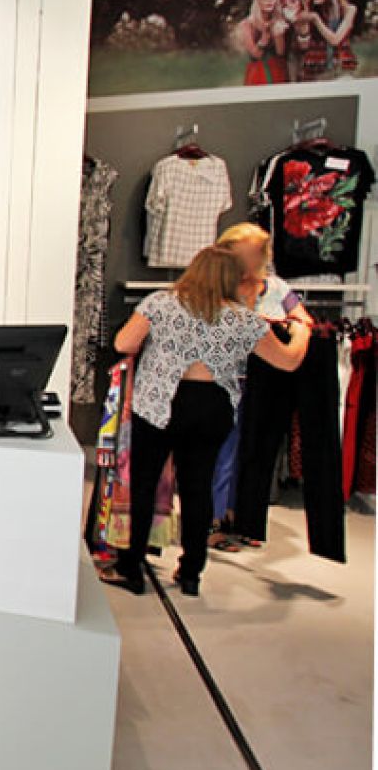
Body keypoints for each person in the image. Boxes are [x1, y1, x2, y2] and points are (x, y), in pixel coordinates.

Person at [100, 245, 309, 597]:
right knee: (198, 488)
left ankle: (130, 567)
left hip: (160, 402)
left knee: (144, 485)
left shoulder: (160, 303)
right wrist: (301, 331)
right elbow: (288, 361)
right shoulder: (244, 320)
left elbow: (124, 342)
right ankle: (191, 572)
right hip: (212, 404)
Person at [206, 224, 314, 550]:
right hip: (223, 381)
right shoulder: (217, 286)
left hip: (265, 384)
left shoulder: (276, 288)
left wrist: (291, 329)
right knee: (223, 454)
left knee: (255, 453)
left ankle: (244, 518)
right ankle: (214, 521)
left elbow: (303, 319)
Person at [301, 0, 358, 80]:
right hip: (315, 65)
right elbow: (303, 44)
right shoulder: (309, 10)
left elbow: (335, 40)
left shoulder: (349, 10)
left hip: (340, 65)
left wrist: (316, 19)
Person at [237, 0, 288, 85]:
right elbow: (256, 54)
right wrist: (265, 35)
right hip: (257, 71)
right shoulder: (246, 24)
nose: (270, 1)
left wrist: (278, 35)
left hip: (278, 68)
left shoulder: (279, 21)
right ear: (257, 3)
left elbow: (280, 52)